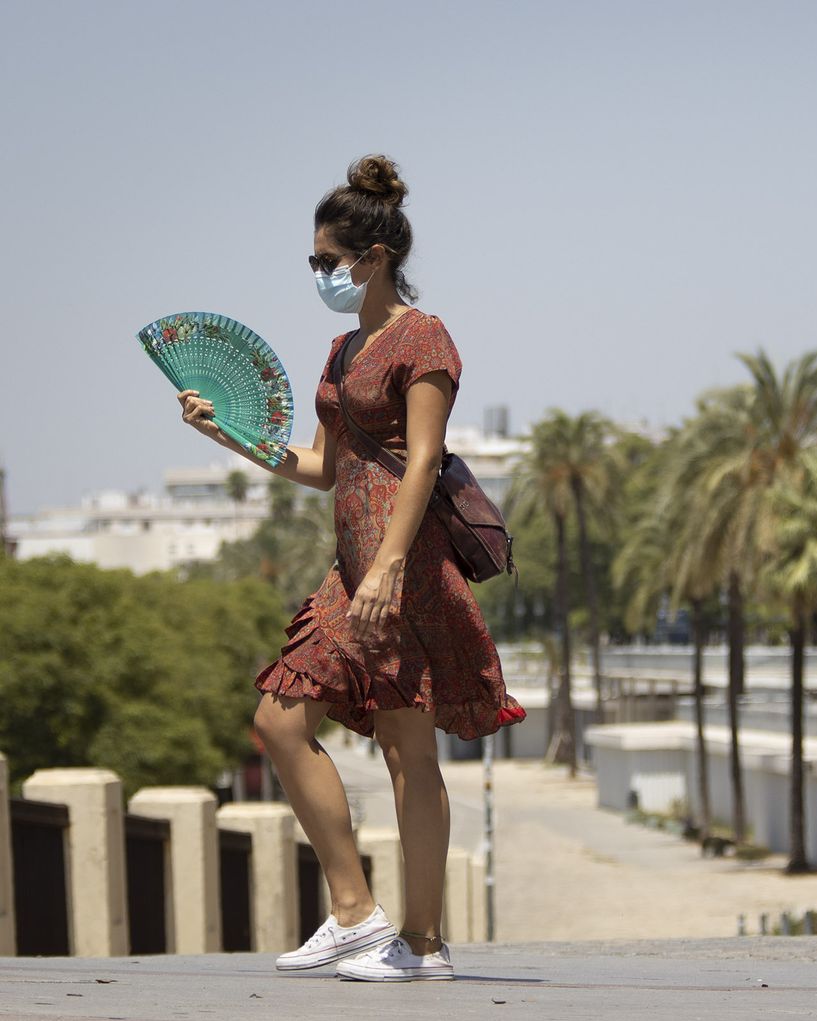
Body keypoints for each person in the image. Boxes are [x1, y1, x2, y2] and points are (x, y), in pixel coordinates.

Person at [178, 154, 525, 982]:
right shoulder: (339, 350)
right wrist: (228, 432)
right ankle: (354, 912)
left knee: (410, 752)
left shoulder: (423, 337)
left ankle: (425, 942)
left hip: (405, 568)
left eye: (326, 262)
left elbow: (424, 458)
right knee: (279, 717)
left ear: (373, 257)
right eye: (312, 263)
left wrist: (390, 568)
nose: (319, 274)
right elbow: (324, 466)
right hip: (350, 566)